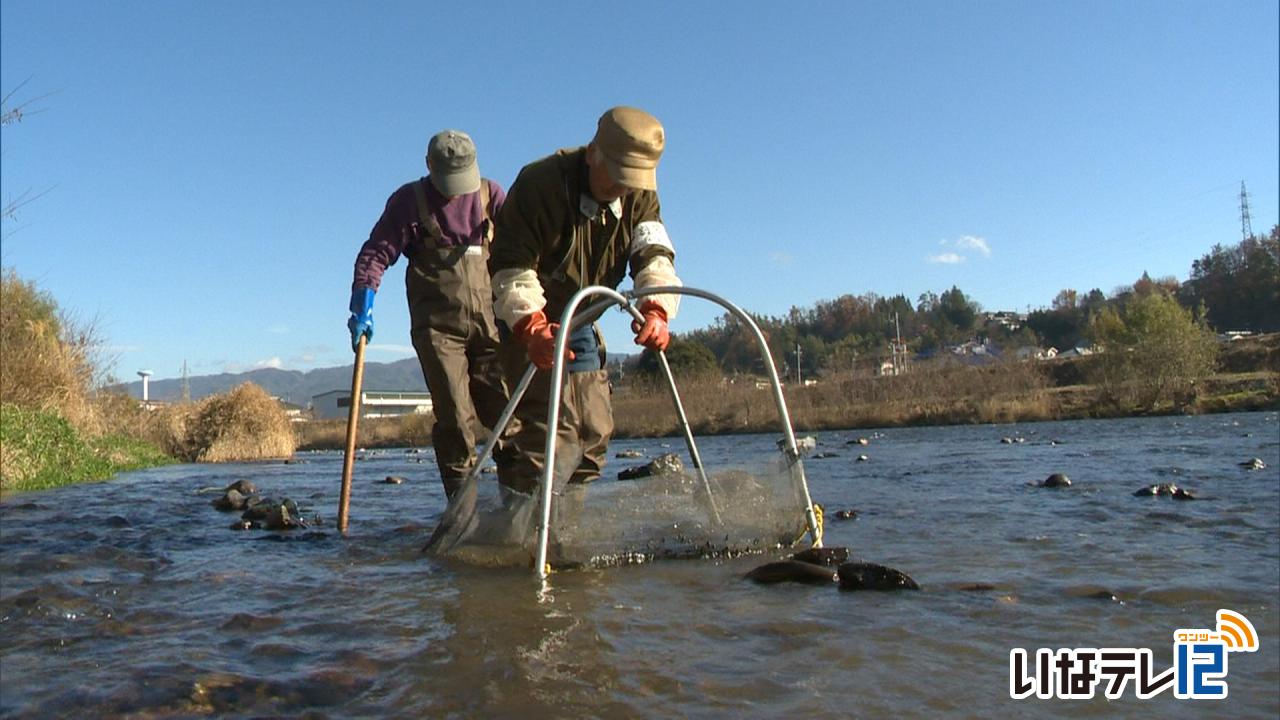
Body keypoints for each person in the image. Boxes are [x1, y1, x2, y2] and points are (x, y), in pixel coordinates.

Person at [488, 106, 682, 497]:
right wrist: (533, 328)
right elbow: (511, 266)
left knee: (593, 432)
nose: (624, 188)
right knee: (547, 434)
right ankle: (521, 530)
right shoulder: (539, 184)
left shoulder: (640, 192)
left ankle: (565, 525)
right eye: (617, 176)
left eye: (633, 180)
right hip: (529, 316)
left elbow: (653, 253)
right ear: (593, 152)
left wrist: (657, 310)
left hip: (584, 317)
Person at [349, 129, 510, 498]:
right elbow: (376, 253)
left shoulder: (491, 195)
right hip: (439, 331)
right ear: (429, 166)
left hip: (492, 323)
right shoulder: (409, 202)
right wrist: (363, 302)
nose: (458, 190)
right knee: (455, 419)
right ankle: (463, 515)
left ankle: (519, 512)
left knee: (508, 415)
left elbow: (522, 248)